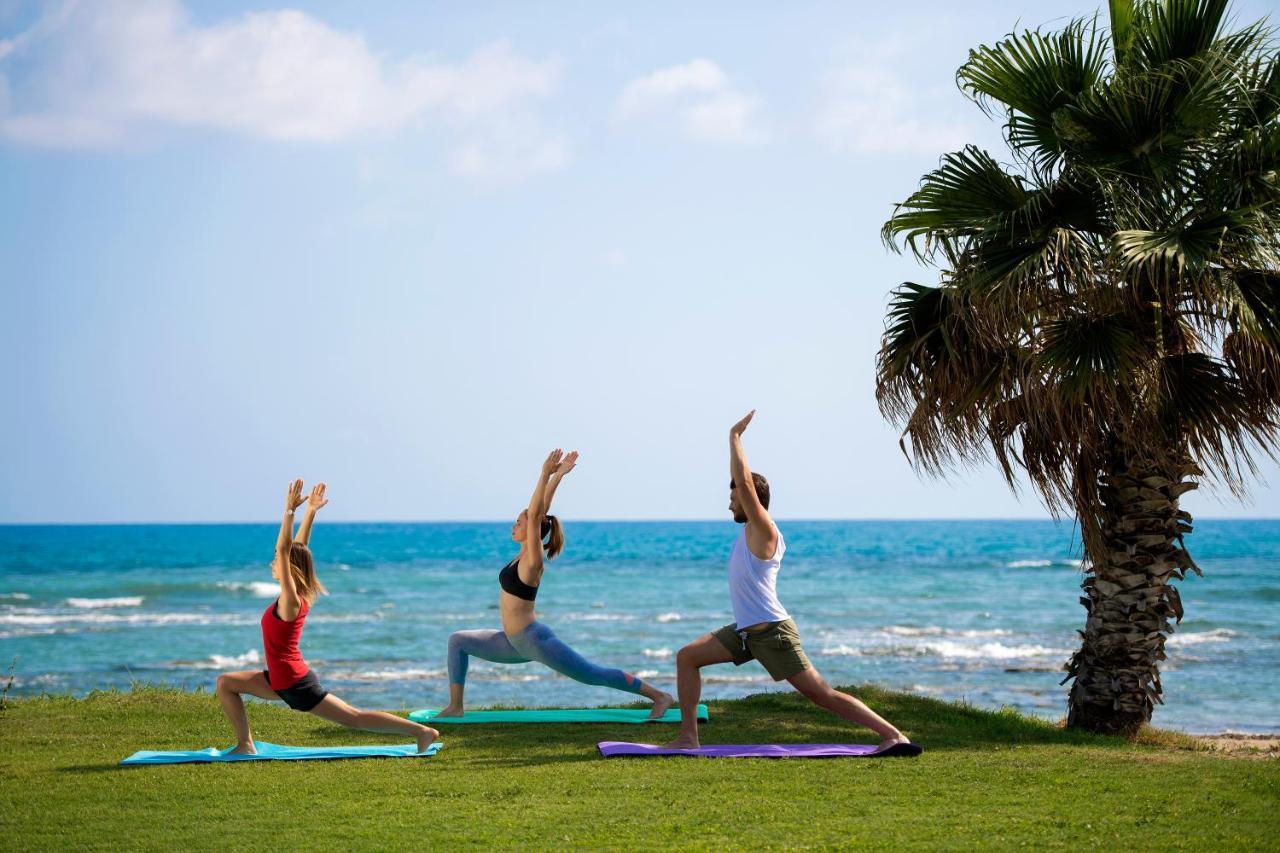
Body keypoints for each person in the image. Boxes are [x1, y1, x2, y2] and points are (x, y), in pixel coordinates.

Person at [664, 411, 920, 755]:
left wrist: (734, 438)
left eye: (734, 498)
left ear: (750, 498)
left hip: (772, 633)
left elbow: (742, 481)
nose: (729, 504)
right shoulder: (747, 532)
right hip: (745, 633)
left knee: (820, 694)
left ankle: (892, 734)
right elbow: (741, 489)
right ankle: (688, 736)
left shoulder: (763, 528)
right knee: (687, 657)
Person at [439, 449, 675, 718]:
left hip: (535, 641)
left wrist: (545, 474)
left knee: (592, 674)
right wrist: (557, 476)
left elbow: (538, 511)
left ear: (531, 530)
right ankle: (456, 706)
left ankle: (660, 696)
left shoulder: (532, 559)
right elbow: (540, 510)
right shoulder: (520, 556)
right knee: (457, 641)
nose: (513, 526)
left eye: (519, 523)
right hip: (512, 641)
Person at [215, 480, 439, 755]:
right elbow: (298, 550)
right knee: (226, 682)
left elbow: (287, 551)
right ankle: (245, 744)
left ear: (288, 566)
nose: (273, 563)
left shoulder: (291, 599)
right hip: (279, 679)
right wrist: (310, 512)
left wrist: (289, 511)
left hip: (294, 684)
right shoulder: (298, 594)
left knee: (354, 718)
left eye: (276, 559)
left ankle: (422, 731)